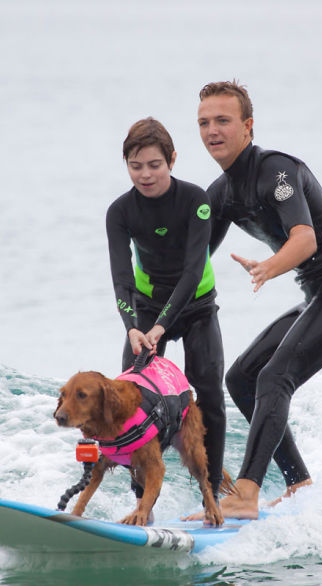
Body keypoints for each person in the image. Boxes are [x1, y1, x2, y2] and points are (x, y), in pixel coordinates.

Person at [194, 81, 322, 519]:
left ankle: (245, 494)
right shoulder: (220, 194)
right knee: (241, 377)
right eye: (204, 123)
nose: (212, 131)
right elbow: (192, 261)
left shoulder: (276, 169)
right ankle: (298, 482)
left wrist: (268, 267)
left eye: (223, 120)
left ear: (248, 126)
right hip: (318, 296)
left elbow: (305, 240)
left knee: (275, 376)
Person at [105, 117, 226, 499]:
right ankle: (142, 504)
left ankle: (214, 493)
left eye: (154, 165)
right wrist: (133, 326)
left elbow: (192, 272)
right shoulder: (120, 212)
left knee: (207, 390)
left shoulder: (195, 201)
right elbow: (121, 277)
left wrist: (161, 327)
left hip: (196, 307)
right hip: (144, 308)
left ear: (172, 160)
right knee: (130, 398)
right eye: (135, 166)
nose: (145, 175)